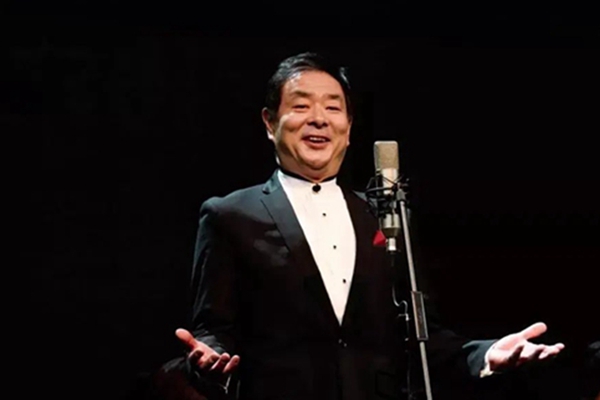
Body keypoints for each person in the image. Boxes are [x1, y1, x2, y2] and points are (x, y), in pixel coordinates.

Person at [154, 52, 565, 400]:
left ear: (349, 129)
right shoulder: (229, 215)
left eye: (333, 108)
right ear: (269, 122)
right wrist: (210, 360)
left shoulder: (386, 215)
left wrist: (486, 355)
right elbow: (214, 330)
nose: (319, 119)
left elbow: (425, 338)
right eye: (301, 106)